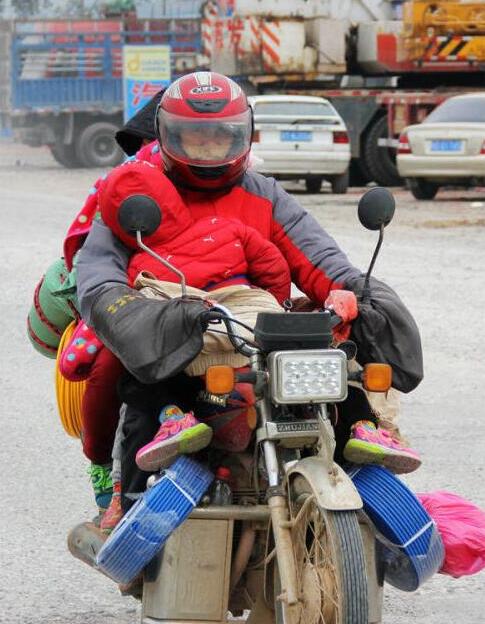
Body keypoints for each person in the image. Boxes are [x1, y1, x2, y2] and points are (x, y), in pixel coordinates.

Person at [75, 71, 424, 516]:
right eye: (193, 139)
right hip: (172, 324)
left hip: (251, 327)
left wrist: (357, 292)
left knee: (345, 373)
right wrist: (126, 310)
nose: (208, 150)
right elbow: (98, 271)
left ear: (243, 134)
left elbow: (318, 256)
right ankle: (128, 501)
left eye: (221, 138)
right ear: (166, 135)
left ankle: (370, 501)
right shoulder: (135, 193)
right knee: (124, 374)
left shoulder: (263, 193)